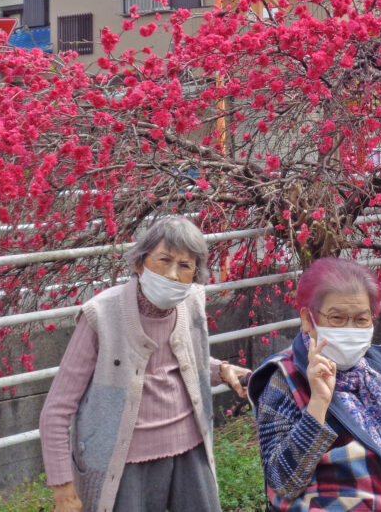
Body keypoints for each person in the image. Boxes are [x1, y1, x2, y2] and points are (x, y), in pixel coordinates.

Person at [38, 215, 251, 512]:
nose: (174, 275)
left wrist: (222, 371)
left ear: (196, 274)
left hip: (190, 448)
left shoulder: (191, 303)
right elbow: (56, 411)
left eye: (185, 266)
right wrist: (63, 489)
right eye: (164, 260)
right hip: (125, 462)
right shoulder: (101, 315)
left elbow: (184, 359)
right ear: (140, 263)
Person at [247, 257, 381, 511]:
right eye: (337, 318)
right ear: (307, 319)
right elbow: (282, 483)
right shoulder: (285, 378)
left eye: (361, 320)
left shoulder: (380, 365)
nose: (350, 329)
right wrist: (317, 406)